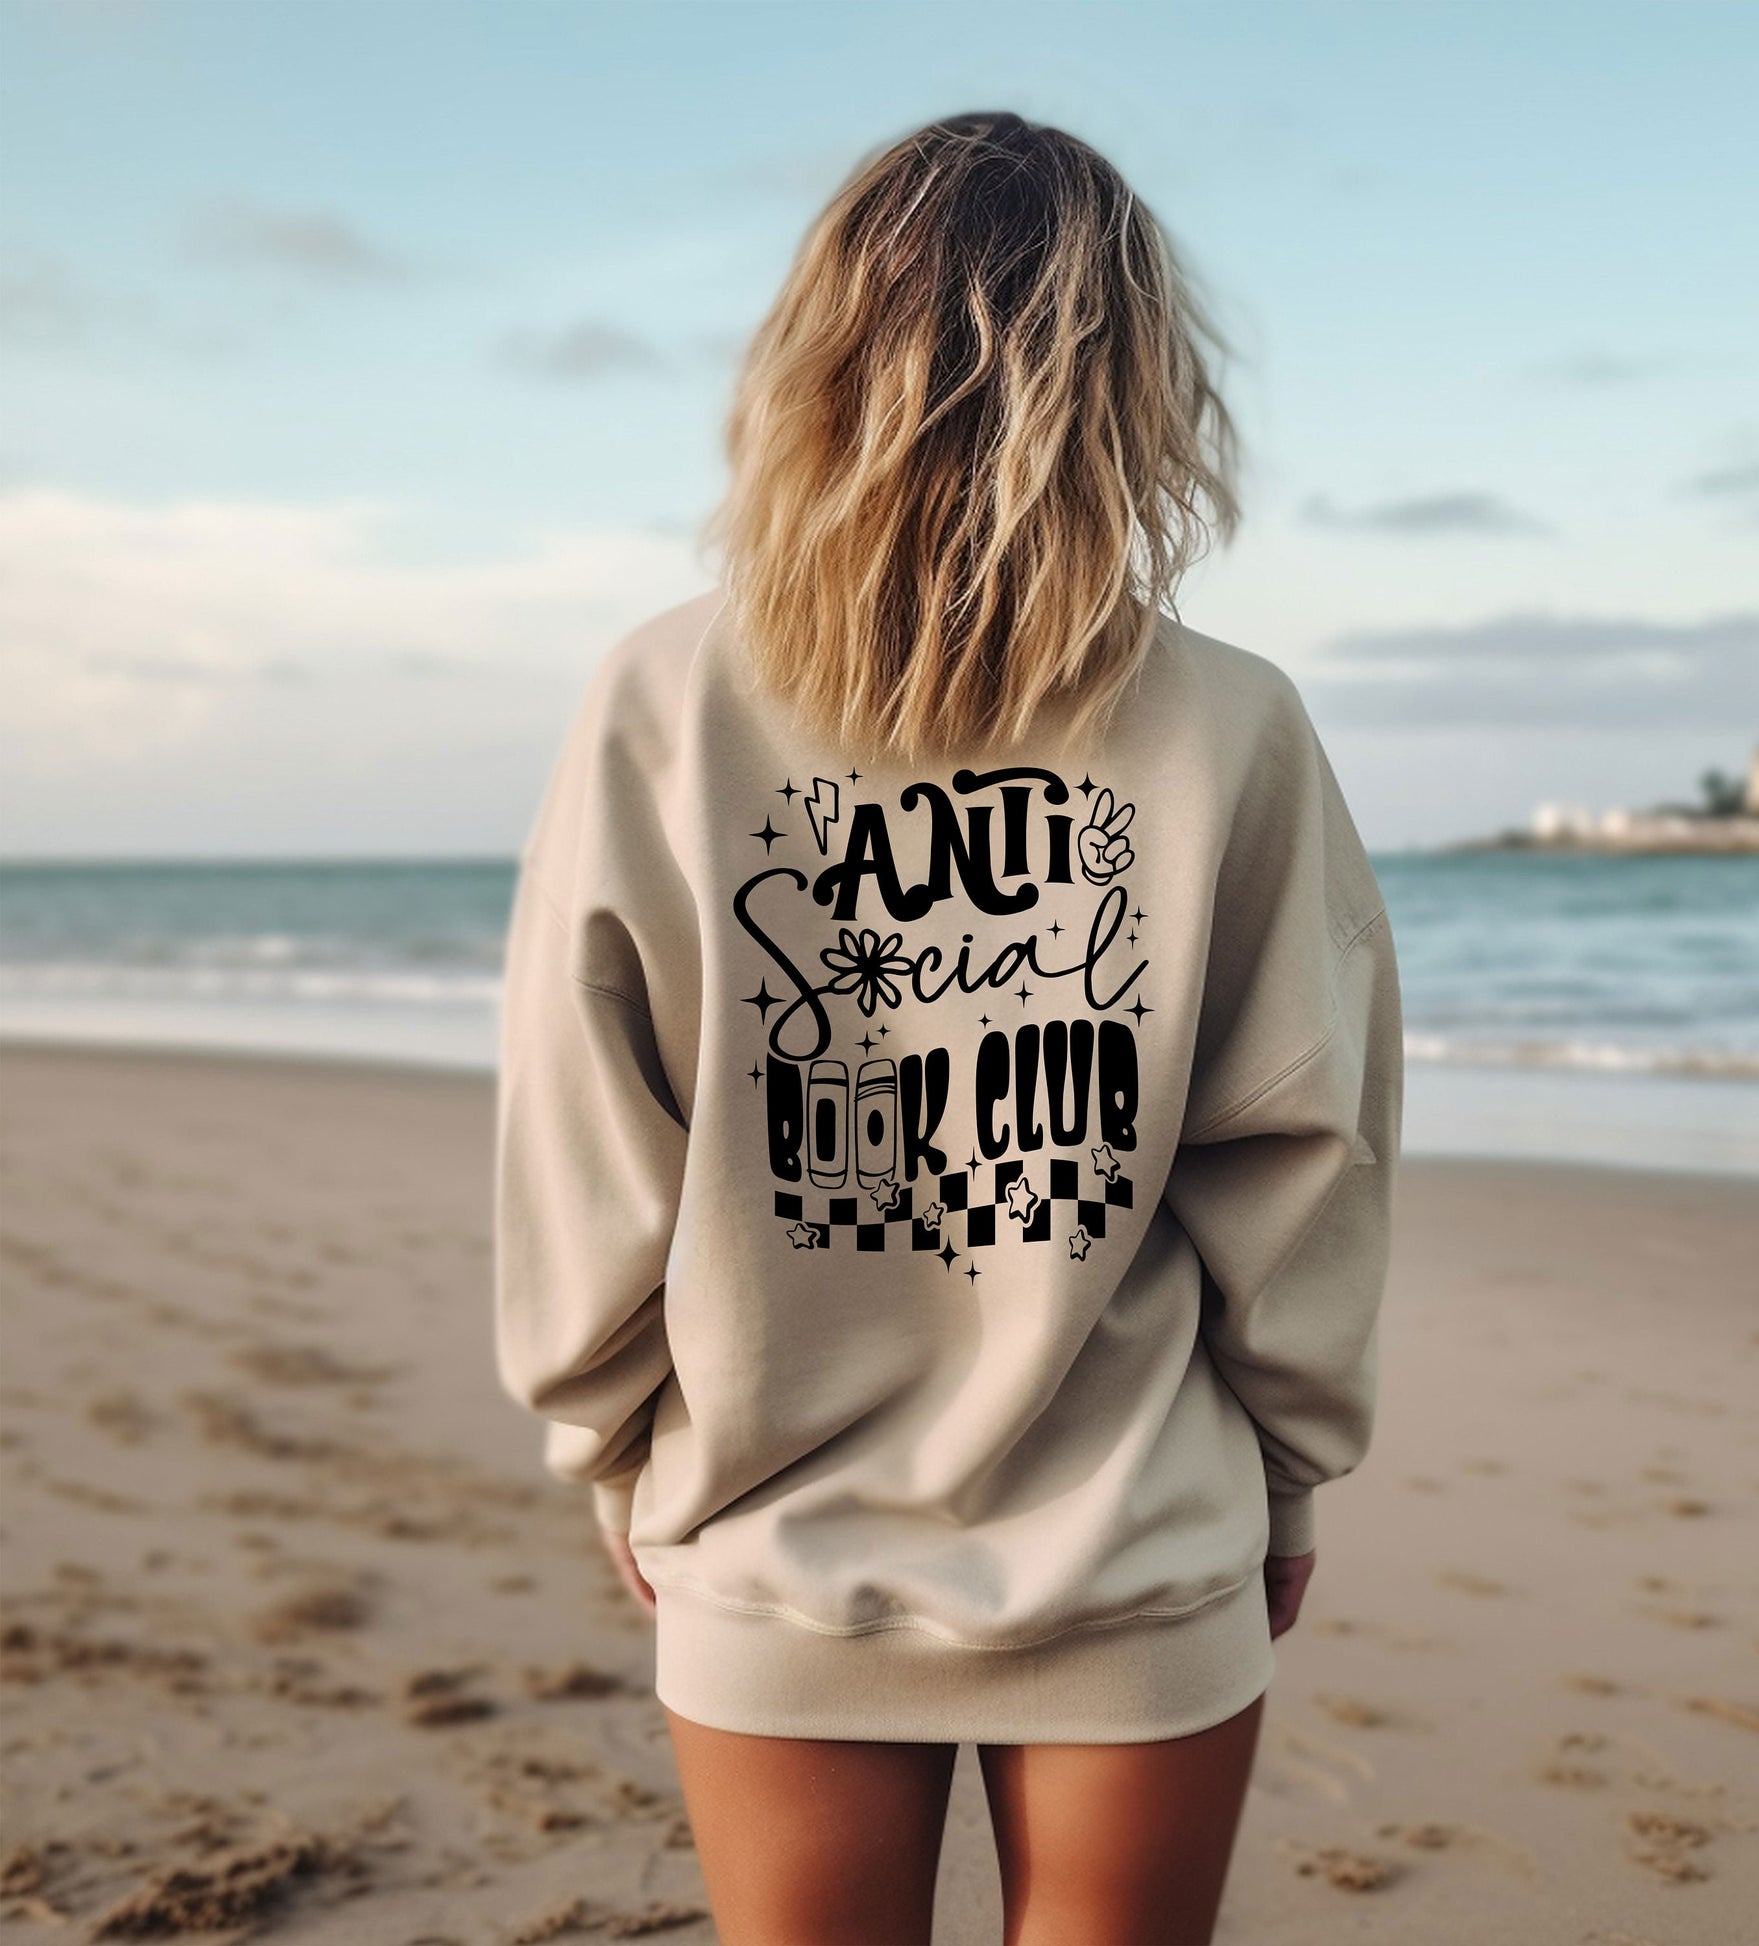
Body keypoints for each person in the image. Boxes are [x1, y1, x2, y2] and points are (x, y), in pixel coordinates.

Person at [494, 109, 1403, 1946]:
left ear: (815, 362)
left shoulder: (662, 697)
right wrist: (1287, 1472)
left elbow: (588, 1118)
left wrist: (610, 1444)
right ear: (1135, 381)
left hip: (772, 1524)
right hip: (1134, 1525)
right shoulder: (1228, 723)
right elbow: (1305, 1143)